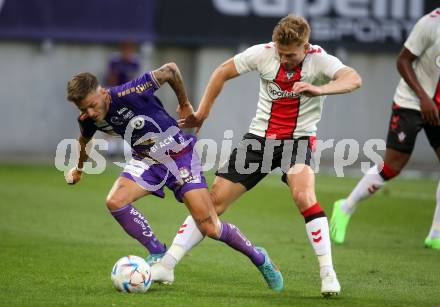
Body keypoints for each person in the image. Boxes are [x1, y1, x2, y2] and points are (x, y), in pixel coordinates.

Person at [151, 15, 362, 297]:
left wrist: (320, 88)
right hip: (259, 139)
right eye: (281, 53)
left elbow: (353, 78)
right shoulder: (263, 54)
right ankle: (167, 264)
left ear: (305, 46)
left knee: (303, 196)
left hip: (297, 140)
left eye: (291, 55)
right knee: (213, 203)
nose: (285, 59)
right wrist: (202, 112)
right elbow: (222, 72)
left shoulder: (319, 60)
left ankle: (328, 274)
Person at [64, 63, 283, 290]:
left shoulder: (129, 92)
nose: (90, 112)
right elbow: (84, 141)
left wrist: (184, 103)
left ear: (101, 92)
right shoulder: (88, 119)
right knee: (115, 201)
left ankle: (259, 258)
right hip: (147, 160)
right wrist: (78, 169)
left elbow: (170, 70)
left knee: (209, 226)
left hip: (179, 155)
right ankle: (158, 252)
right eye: (83, 109)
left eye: (92, 105)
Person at [330, 8, 440, 250]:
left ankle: (436, 233)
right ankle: (345, 206)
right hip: (412, 102)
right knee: (392, 166)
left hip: (438, 105)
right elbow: (402, 60)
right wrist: (424, 97)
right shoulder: (430, 24)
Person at [104, 41, 141, 157]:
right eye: (126, 51)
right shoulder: (115, 61)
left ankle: (128, 149)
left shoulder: (134, 62)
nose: (128, 54)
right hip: (114, 93)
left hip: (127, 95)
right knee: (111, 120)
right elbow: (111, 78)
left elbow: (133, 80)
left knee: (128, 120)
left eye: (130, 51)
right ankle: (111, 150)